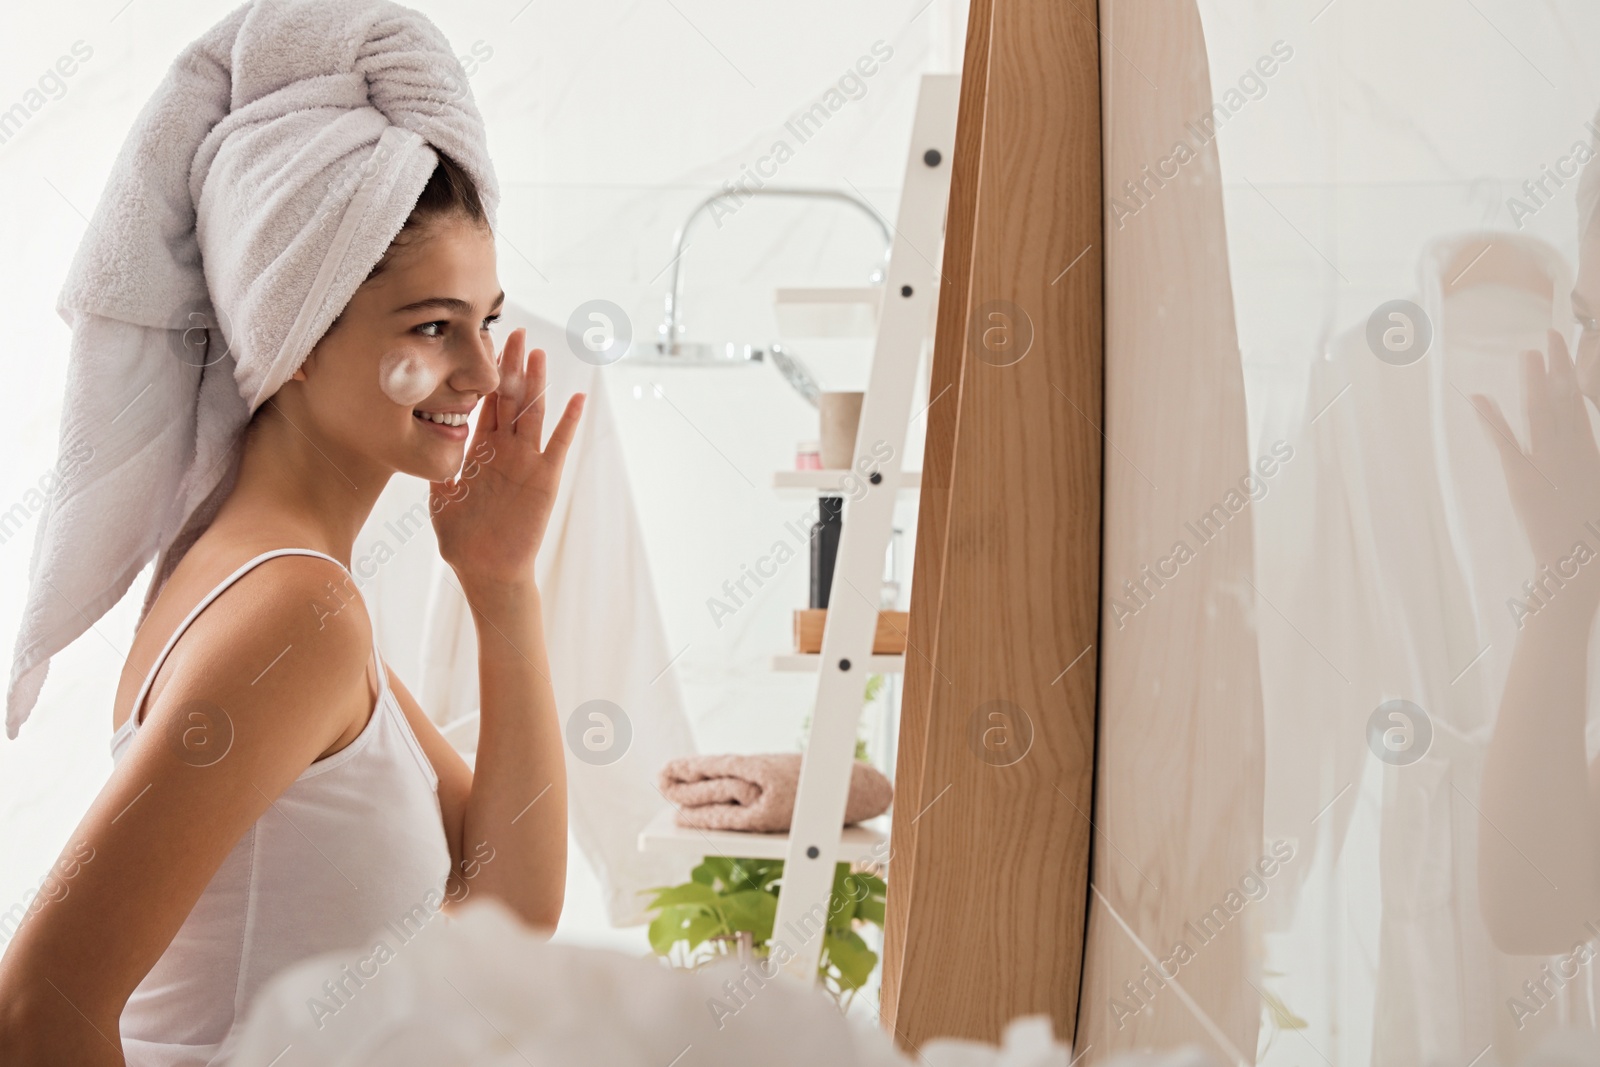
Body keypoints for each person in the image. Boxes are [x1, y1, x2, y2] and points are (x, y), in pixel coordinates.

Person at [0, 5, 580, 1063]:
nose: (484, 374)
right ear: (296, 336)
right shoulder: (294, 610)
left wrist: (500, 584)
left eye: (486, 320)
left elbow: (507, 913)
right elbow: (39, 1007)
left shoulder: (288, 583)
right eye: (432, 327)